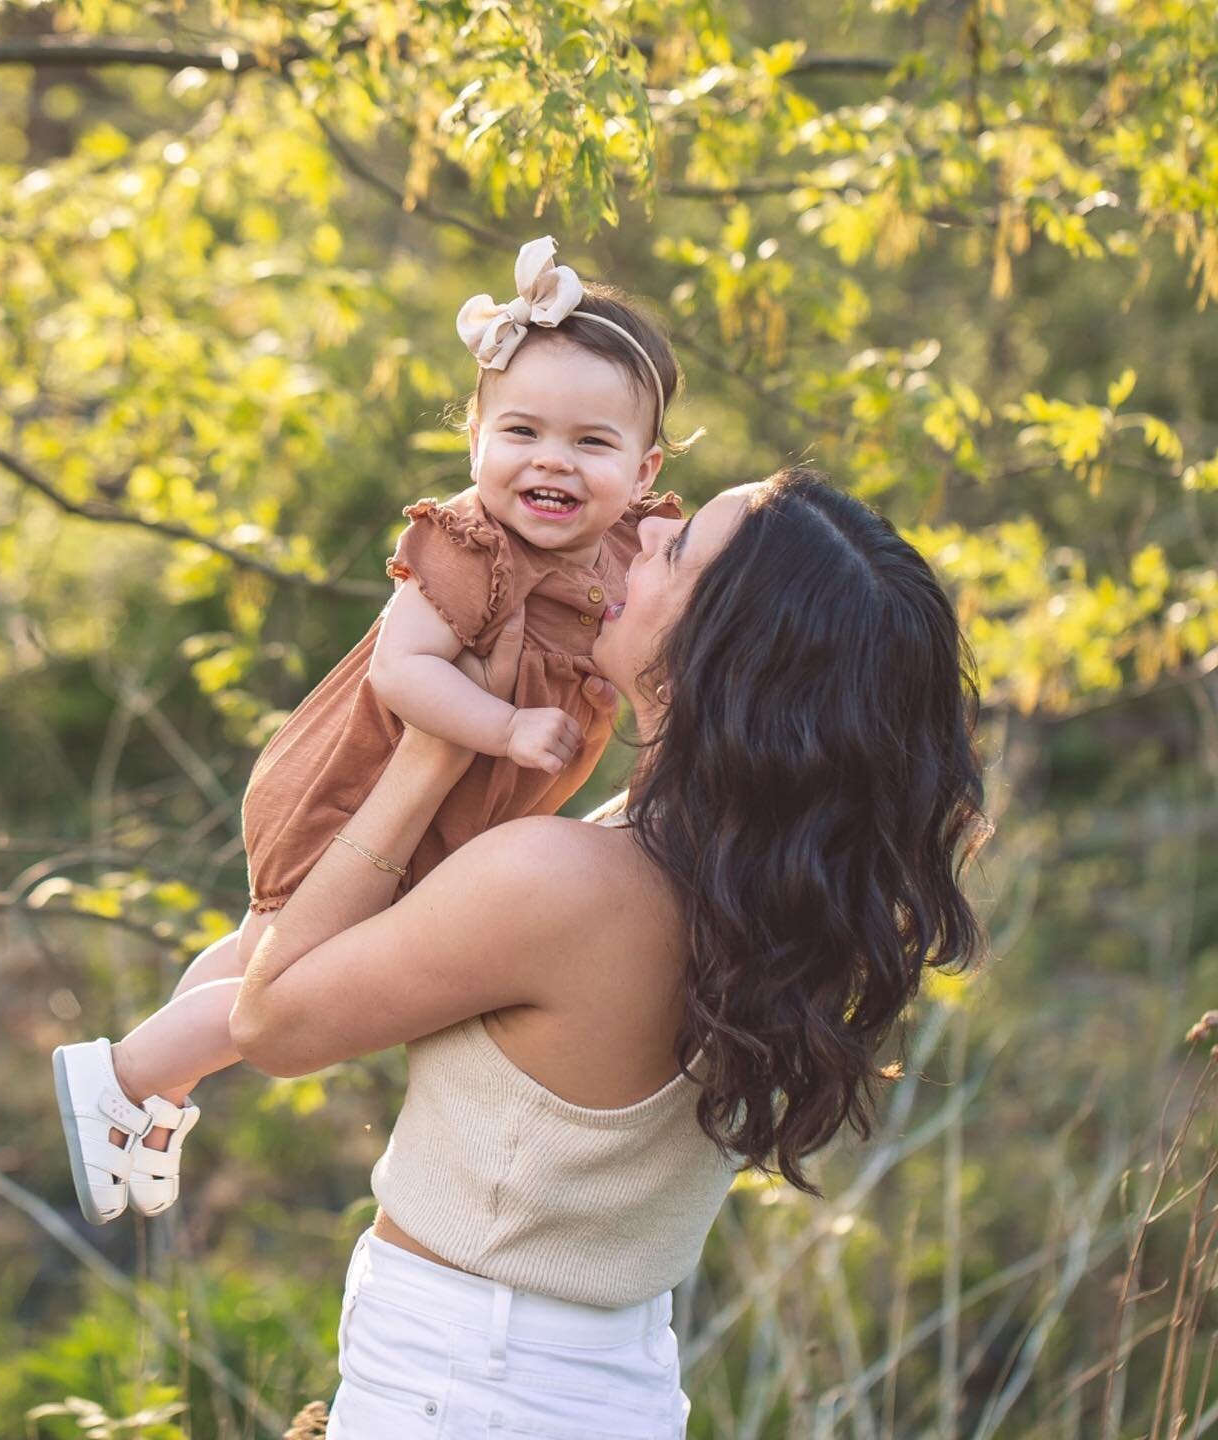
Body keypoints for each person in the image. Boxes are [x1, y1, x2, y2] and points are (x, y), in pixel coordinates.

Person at [224, 464, 991, 1436]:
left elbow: (270, 1020)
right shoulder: (776, 885)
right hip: (605, 1380)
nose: (642, 540)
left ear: (721, 647)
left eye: (681, 551)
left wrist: (429, 752)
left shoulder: (565, 882)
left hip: (465, 1388)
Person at [52, 236, 699, 1226]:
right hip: (362, 786)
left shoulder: (622, 552)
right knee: (295, 960)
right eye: (521, 431)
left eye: (591, 444)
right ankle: (131, 1072)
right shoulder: (467, 546)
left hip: (455, 813)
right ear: (475, 436)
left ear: (643, 466)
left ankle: (152, 1088)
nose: (551, 462)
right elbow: (404, 674)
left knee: (261, 950)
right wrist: (506, 724)